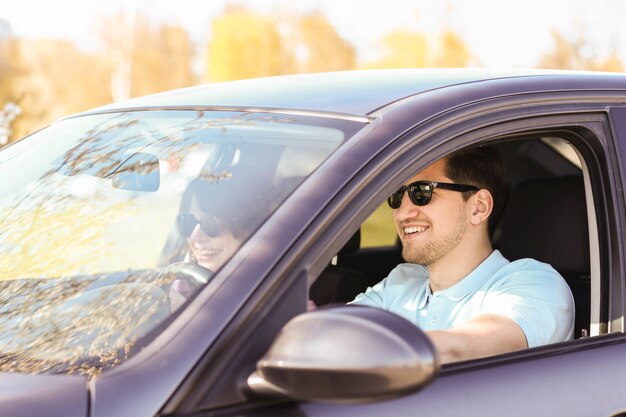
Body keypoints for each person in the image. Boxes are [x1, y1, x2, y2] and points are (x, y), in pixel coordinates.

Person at [351, 146, 575, 364]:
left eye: (422, 193)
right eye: (397, 195)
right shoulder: (400, 282)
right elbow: (336, 331)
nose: (401, 213)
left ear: (478, 207)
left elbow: (461, 349)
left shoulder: (535, 285)